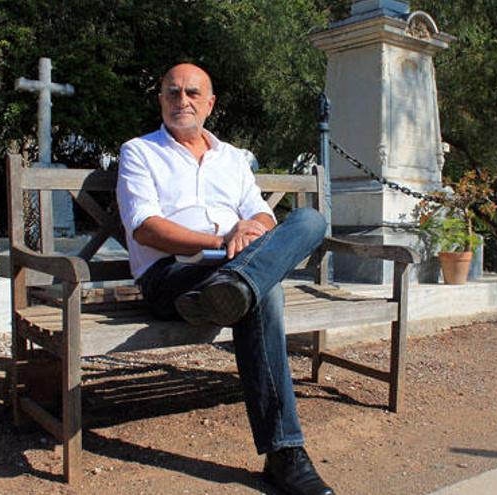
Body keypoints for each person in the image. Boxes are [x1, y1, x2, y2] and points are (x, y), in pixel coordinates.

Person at [116, 63, 335, 495]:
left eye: (193, 93)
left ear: (210, 103)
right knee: (263, 292)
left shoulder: (232, 158)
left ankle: (235, 287)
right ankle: (284, 455)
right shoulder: (139, 152)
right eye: (173, 93)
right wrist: (221, 237)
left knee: (310, 219)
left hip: (227, 270)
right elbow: (144, 227)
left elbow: (263, 215)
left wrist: (249, 228)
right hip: (172, 276)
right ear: (161, 100)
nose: (183, 101)